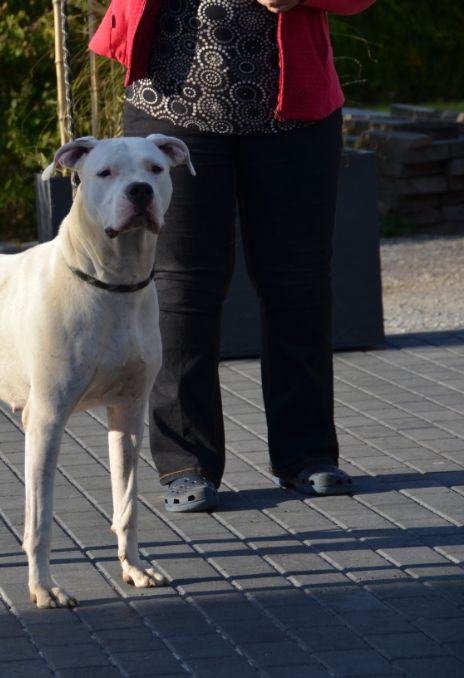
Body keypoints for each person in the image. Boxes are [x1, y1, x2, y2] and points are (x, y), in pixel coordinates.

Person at [89, 0, 374, 511]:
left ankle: (307, 454)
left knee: (299, 283)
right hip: (172, 105)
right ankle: (184, 462)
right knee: (181, 288)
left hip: (295, 110)